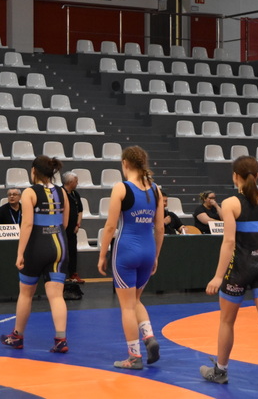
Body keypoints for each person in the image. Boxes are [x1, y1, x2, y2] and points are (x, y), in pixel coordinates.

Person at [200, 156, 258, 393]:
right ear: (257, 175)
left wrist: (218, 276)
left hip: (239, 269)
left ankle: (220, 371)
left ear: (235, 176)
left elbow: (229, 242)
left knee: (227, 320)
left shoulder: (231, 203)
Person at [98, 146, 164, 370]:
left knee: (126, 306)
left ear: (125, 163)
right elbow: (160, 228)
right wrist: (156, 255)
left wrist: (102, 254)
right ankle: (149, 336)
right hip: (148, 250)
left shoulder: (121, 188)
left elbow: (110, 226)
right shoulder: (155, 189)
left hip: (126, 250)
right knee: (135, 300)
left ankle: (134, 357)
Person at [1, 155, 71, 353]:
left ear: (34, 171)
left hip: (37, 246)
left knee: (26, 293)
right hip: (59, 246)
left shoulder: (30, 192)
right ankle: (61, 340)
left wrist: (20, 253)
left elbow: (27, 224)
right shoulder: (62, 192)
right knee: (56, 296)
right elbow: (65, 223)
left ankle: (17, 336)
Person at [62, 171, 85, 283]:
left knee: (72, 251)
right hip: (61, 229)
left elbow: (80, 210)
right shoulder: (60, 193)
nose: (77, 183)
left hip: (73, 229)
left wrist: (78, 224)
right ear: (70, 182)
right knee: (61, 252)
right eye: (76, 181)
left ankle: (73, 274)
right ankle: (60, 275)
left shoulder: (75, 194)